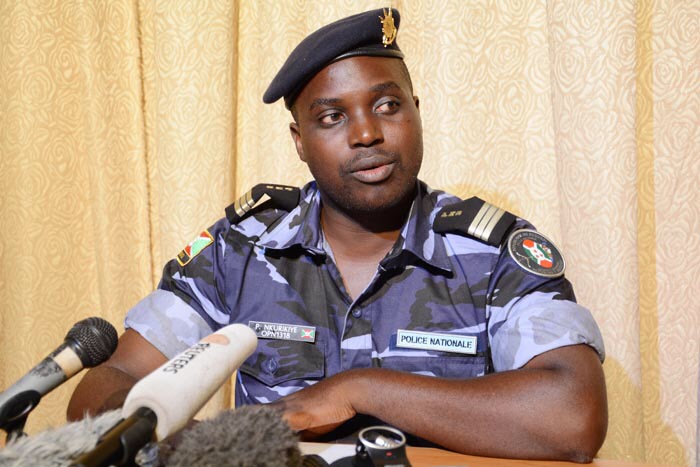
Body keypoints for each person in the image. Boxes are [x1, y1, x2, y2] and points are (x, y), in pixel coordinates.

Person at [67, 8, 607, 462]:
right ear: (299, 141)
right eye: (331, 117)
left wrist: (358, 390)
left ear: (416, 112)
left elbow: (573, 416)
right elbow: (110, 381)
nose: (367, 133)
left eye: (387, 105)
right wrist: (190, 444)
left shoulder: (491, 252)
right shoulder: (240, 248)